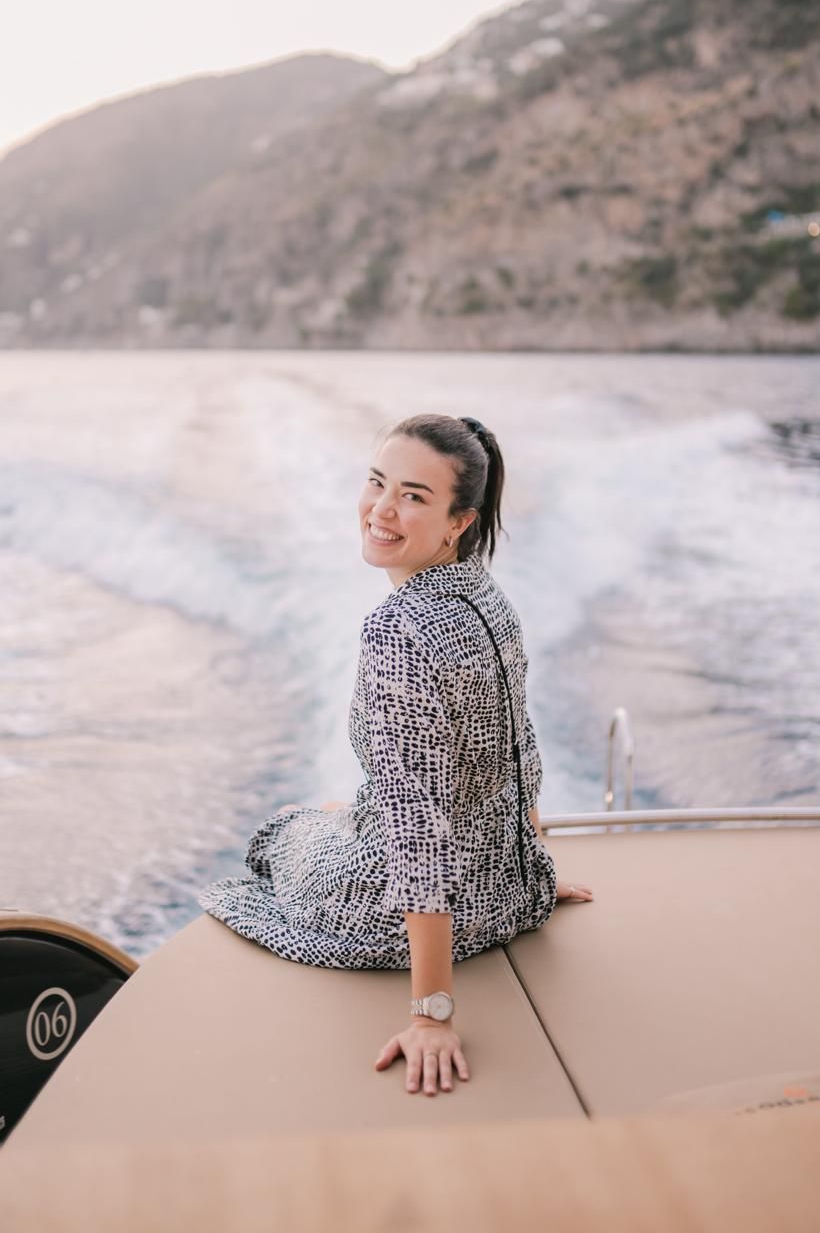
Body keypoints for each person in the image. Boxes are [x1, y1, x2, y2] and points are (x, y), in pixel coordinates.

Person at [196, 412, 593, 1096]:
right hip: (506, 894)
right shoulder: (489, 600)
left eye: (413, 496)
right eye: (377, 483)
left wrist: (431, 1014)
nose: (381, 509)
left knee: (286, 826)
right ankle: (340, 819)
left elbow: (416, 828)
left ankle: (315, 821)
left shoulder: (398, 631)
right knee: (342, 810)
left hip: (396, 915)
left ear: (458, 521)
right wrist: (527, 871)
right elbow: (517, 749)